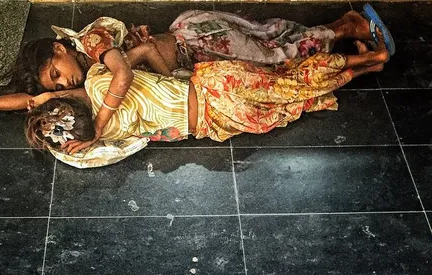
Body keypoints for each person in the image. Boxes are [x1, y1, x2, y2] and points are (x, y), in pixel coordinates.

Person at [24, 39, 389, 167]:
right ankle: (369, 64)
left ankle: (374, 57)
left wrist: (90, 130)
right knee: (293, 95)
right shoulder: (102, 123)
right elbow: (72, 135)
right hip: (215, 116)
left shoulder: (105, 112)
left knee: (292, 88)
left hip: (216, 94)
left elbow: (81, 149)